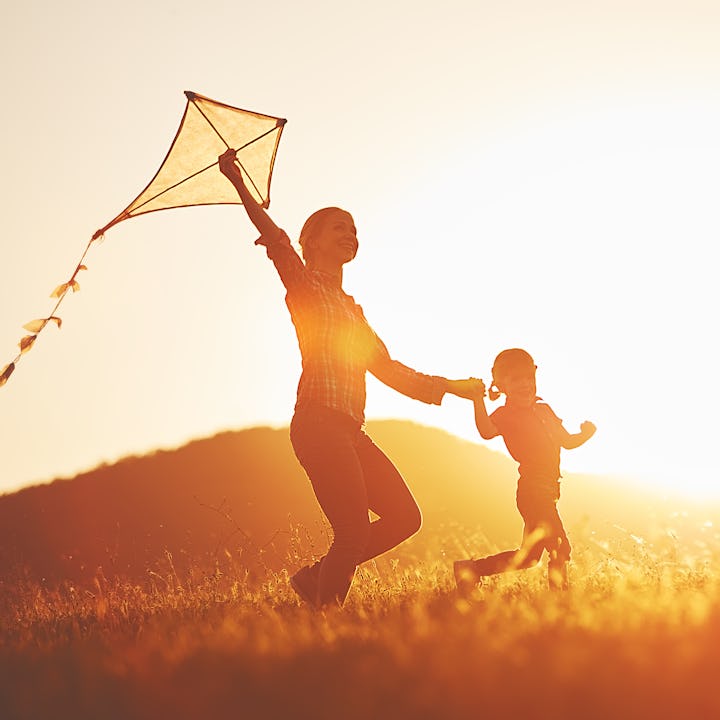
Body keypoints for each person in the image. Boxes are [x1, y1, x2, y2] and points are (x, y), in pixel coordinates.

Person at [218, 148, 474, 608]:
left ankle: (315, 579)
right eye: (339, 226)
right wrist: (239, 184)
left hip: (351, 432)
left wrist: (454, 387)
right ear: (310, 240)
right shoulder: (304, 286)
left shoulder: (354, 312)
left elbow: (390, 370)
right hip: (318, 425)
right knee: (353, 533)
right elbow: (274, 239)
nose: (350, 234)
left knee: (405, 517)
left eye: (354, 229)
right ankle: (326, 613)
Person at [453, 348, 596, 592]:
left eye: (529, 378)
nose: (525, 384)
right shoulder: (507, 414)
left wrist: (585, 434)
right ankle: (561, 598)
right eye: (516, 379)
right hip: (533, 492)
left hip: (548, 491)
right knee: (559, 546)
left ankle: (472, 570)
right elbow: (487, 431)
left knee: (529, 558)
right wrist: (478, 400)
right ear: (501, 385)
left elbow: (567, 441)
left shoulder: (545, 410)